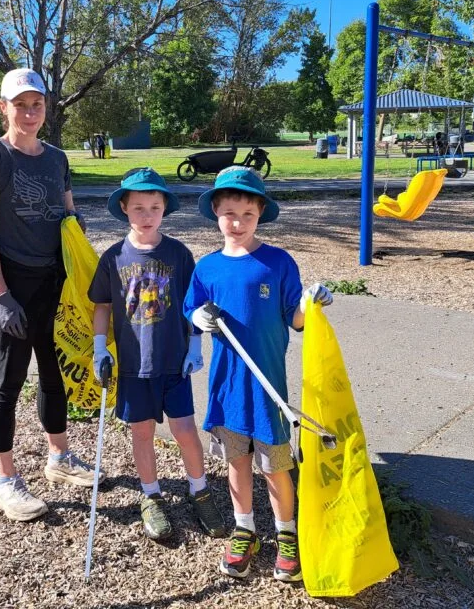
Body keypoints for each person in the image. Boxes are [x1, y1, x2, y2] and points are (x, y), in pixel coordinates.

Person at [182, 166, 333, 583]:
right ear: (216, 212)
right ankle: (244, 528)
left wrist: (309, 301)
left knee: (275, 466)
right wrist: (198, 315)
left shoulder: (278, 262)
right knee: (236, 463)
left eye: (247, 215)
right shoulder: (207, 267)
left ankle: (287, 534)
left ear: (260, 214)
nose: (237, 223)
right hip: (228, 387)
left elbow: (296, 320)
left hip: (269, 390)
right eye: (229, 214)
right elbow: (190, 310)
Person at [0, 67, 98, 523]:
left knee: (54, 373)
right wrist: (1, 296)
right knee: (7, 384)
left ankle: (59, 458)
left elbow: (68, 217)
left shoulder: (57, 159)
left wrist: (83, 256)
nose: (29, 112)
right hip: (11, 285)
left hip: (54, 283)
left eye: (36, 103)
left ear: (46, 107)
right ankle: (4, 481)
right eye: (19, 104)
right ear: (3, 107)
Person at [87, 167, 227, 542]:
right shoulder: (113, 257)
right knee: (142, 433)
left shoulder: (179, 254)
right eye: (138, 208)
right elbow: (101, 304)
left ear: (164, 209)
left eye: (154, 207)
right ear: (124, 210)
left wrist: (196, 345)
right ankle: (150, 495)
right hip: (133, 366)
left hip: (173, 362)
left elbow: (194, 305)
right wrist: (101, 348)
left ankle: (200, 490)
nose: (146, 216)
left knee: (184, 431)